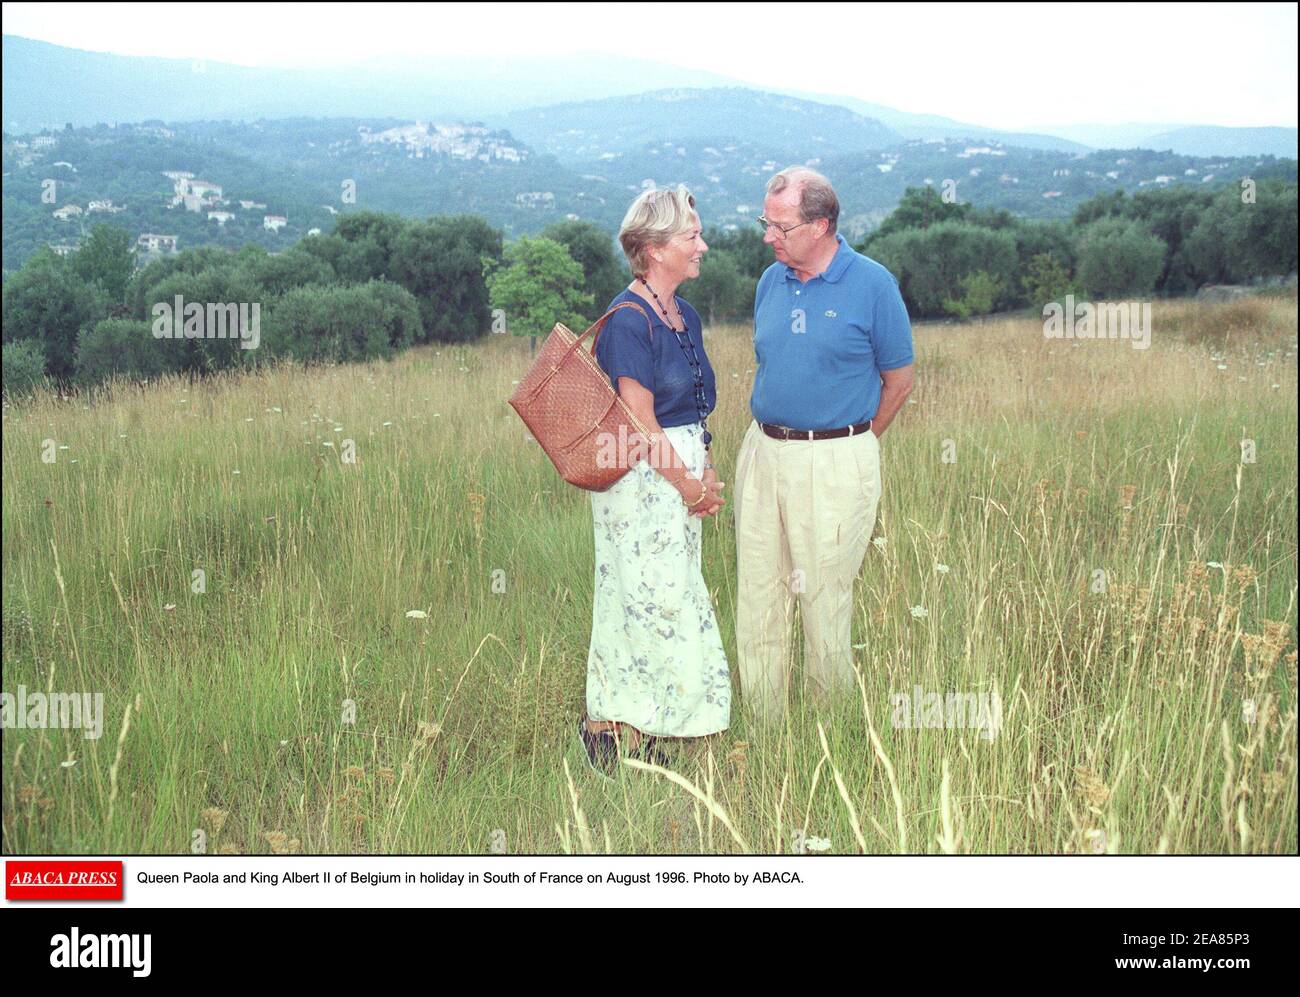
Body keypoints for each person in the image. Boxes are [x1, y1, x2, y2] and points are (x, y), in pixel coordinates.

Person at [734, 167, 915, 722]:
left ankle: (827, 729)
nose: (769, 236)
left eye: (781, 226)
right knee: (760, 595)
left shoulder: (873, 284)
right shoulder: (771, 282)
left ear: (821, 225)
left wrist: (848, 444)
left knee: (823, 599)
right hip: (763, 452)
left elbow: (899, 380)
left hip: (835, 458)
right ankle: (765, 730)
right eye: (767, 222)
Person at [578, 184, 731, 777]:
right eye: (692, 236)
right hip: (643, 482)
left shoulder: (683, 313)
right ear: (654, 247)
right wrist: (687, 486)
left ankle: (634, 724)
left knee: (667, 593)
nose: (703, 245)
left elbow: (695, 404)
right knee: (641, 598)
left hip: (679, 470)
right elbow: (640, 422)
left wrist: (706, 469)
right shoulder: (628, 320)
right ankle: (607, 727)